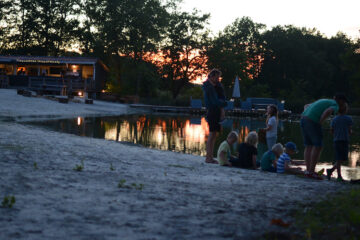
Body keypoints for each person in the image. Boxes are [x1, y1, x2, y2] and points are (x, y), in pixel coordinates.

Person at [300, 93, 348, 179]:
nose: (344, 104)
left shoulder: (325, 100)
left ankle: (308, 171)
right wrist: (320, 122)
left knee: (309, 146)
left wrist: (307, 114)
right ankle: (311, 171)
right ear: (341, 101)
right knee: (318, 146)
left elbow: (306, 106)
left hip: (303, 119)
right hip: (312, 121)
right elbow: (328, 111)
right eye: (344, 102)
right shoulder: (335, 105)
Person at [202, 69, 227, 164]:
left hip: (217, 111)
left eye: (219, 77)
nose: (218, 79)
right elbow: (214, 101)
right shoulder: (208, 87)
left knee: (214, 135)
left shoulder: (218, 86)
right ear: (211, 76)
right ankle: (208, 158)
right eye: (216, 77)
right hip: (212, 111)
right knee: (212, 134)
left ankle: (210, 157)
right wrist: (223, 104)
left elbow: (222, 98)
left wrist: (222, 105)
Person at [327, 103, 353, 181]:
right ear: (346, 110)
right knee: (341, 158)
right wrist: (351, 132)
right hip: (344, 140)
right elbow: (349, 130)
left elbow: (331, 131)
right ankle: (339, 176)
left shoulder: (334, 119)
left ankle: (331, 170)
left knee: (340, 158)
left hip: (336, 140)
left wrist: (336, 134)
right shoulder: (349, 118)